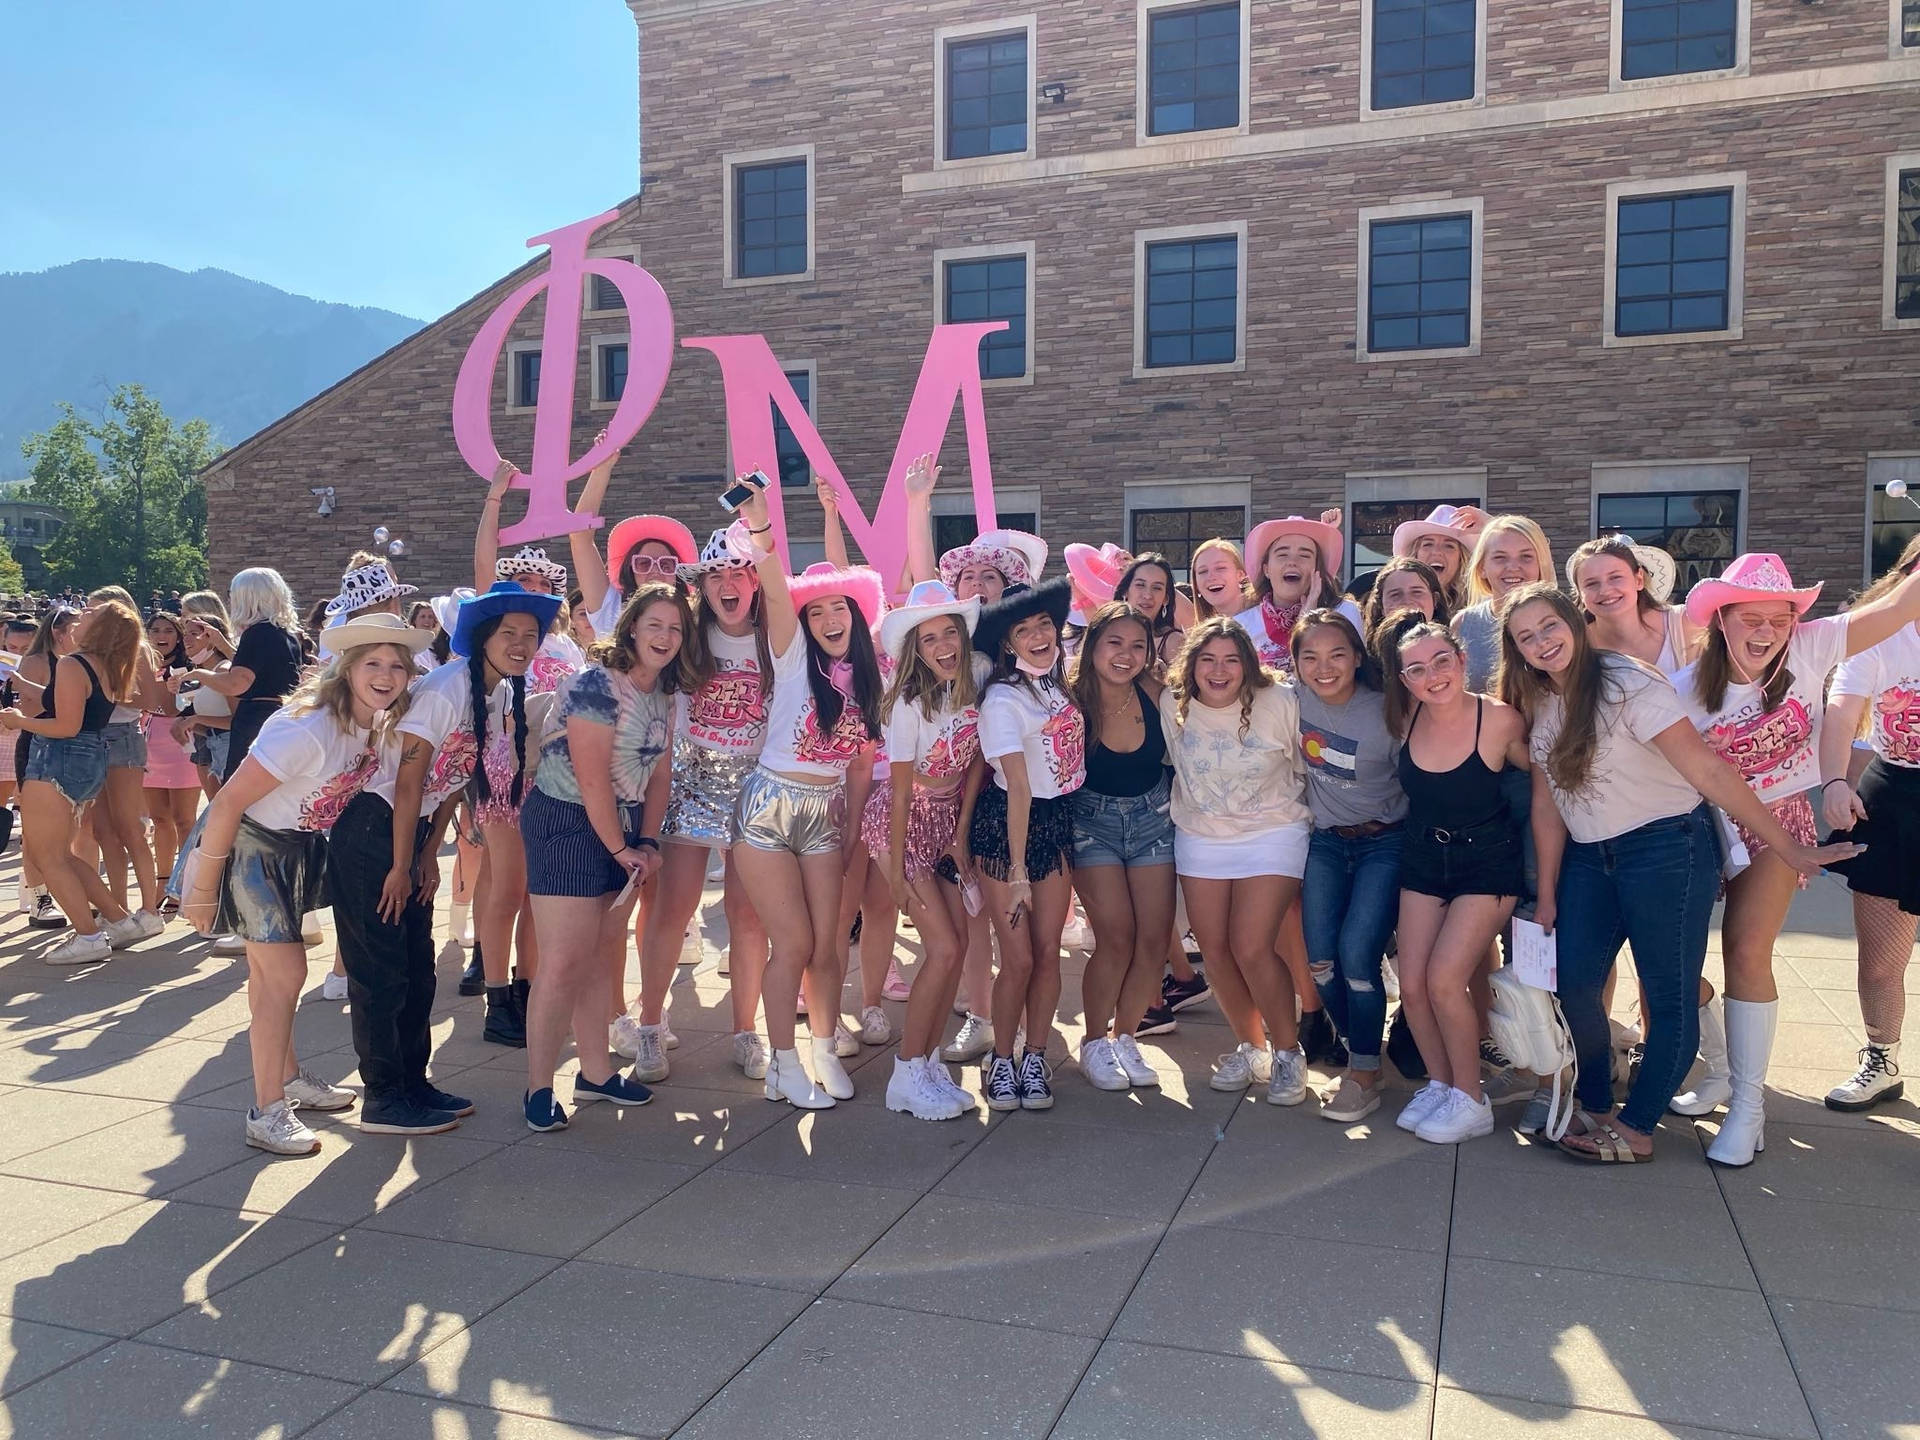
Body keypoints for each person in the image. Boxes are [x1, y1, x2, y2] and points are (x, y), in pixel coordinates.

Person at [1499, 583, 1855, 1164]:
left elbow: (1706, 770)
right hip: (1590, 857)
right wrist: (1545, 893)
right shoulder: (1540, 701)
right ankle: (1596, 1102)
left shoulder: (1627, 682)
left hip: (1666, 849)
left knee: (1667, 996)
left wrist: (1788, 847)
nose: (1542, 642)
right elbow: (1547, 806)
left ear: (1574, 622)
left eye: (1550, 627)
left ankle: (1638, 1128)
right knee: (1576, 987)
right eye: (1526, 637)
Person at [1670, 552, 1920, 1161]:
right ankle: (1723, 1068)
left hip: (1780, 820)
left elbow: (1896, 606)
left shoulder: (1811, 648)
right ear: (1721, 619)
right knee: (1675, 959)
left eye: (1778, 619)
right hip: (1703, 827)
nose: (1765, 632)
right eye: (1749, 618)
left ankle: (1749, 1108)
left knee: (1747, 949)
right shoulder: (1681, 690)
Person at [176, 617, 437, 1155]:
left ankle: (287, 1078)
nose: (386, 675)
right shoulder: (308, 728)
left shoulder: (373, 723)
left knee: (269, 978)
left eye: (396, 665)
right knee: (286, 974)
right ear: (347, 668)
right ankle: (266, 1111)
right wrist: (201, 887)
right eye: (373, 663)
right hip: (251, 848)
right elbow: (227, 801)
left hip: (297, 848)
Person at [729, 482, 886, 1110]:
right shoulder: (791, 658)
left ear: (855, 613)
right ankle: (783, 1064)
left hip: (825, 814)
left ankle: (825, 1046)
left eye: (838, 609)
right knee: (791, 942)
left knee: (828, 942)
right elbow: (772, 581)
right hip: (768, 807)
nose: (828, 620)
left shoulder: (868, 681)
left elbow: (859, 765)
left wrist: (848, 837)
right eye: (815, 611)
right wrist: (763, 523)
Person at [519, 584, 691, 1131]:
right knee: (564, 960)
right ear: (632, 628)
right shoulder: (596, 685)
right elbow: (591, 781)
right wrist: (623, 848)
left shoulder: (662, 693)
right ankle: (538, 1087)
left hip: (622, 828)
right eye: (655, 625)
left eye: (675, 629)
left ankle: (595, 1073)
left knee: (601, 953)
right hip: (567, 821)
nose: (665, 637)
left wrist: (648, 842)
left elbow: (659, 774)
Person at [1378, 612, 1531, 1144]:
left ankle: (1472, 1097)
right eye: (1417, 669)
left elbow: (1550, 785)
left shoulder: (1502, 720)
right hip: (1424, 858)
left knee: (1446, 979)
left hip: (1488, 863)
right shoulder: (1406, 721)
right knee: (1414, 987)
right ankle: (1443, 1085)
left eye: (1442, 660)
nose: (1432, 674)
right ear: (1405, 680)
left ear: (1463, 660)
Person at [631, 524, 776, 1083]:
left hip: (755, 790)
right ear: (702, 585)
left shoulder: (774, 637)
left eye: (739, 570)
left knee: (746, 916)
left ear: (756, 581)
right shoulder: (686, 635)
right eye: (715, 573)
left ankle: (745, 1031)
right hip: (690, 785)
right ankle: (648, 1027)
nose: (727, 583)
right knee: (672, 911)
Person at [1161, 616, 1312, 1104]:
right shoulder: (1173, 703)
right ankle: (1252, 1047)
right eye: (1208, 659)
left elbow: (1307, 764)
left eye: (1231, 659)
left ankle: (1289, 1052)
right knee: (1217, 949)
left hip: (1273, 830)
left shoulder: (1281, 701)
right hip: (1201, 835)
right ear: (1192, 664)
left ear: (1248, 664)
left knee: (1251, 946)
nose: (1219, 670)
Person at [868, 581, 987, 1120]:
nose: (942, 645)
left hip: (945, 823)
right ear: (915, 649)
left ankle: (929, 1062)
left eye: (948, 633)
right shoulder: (907, 706)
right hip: (903, 823)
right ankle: (906, 1072)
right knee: (940, 948)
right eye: (928, 637)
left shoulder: (977, 682)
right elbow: (895, 792)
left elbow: (977, 764)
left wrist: (961, 835)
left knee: (958, 947)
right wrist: (893, 873)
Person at [970, 577, 1085, 1111]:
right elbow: (1017, 785)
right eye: (1024, 629)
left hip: (1055, 825)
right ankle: (1002, 1059)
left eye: (1044, 624)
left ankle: (1036, 1057)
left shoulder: (1055, 685)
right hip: (1007, 833)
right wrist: (1017, 871)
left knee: (1046, 953)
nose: (1039, 635)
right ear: (1007, 642)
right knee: (1015, 958)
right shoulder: (1001, 700)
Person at [1819, 535, 1920, 1115]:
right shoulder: (1877, 635)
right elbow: (1840, 709)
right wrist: (1834, 781)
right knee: (1881, 958)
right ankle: (1882, 1058)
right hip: (1894, 795)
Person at [1293, 610, 1407, 1122]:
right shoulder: (1288, 702)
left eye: (1337, 654)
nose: (1324, 667)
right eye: (1310, 656)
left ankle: (1362, 1072)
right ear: (1294, 663)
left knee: (1357, 959)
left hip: (1385, 843)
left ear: (1357, 658)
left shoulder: (1389, 712)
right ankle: (1363, 1048)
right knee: (1320, 964)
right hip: (1325, 843)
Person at [0, 599, 153, 965]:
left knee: (47, 856)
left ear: (100, 629)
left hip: (59, 756)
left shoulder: (73, 664)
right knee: (61, 854)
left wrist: (19, 721)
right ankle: (116, 920)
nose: (81, 616)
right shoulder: (107, 665)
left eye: (89, 615)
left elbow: (65, 726)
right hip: (87, 758)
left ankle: (89, 935)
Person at [1066, 602, 1174, 1094]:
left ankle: (1126, 1035)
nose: (1126, 654)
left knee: (1154, 940)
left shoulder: (1155, 691)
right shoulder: (1070, 701)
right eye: (1115, 642)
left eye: (1137, 645)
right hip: (1093, 825)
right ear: (1092, 648)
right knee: (1116, 936)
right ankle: (1094, 1042)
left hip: (1154, 821)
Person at [85, 586, 169, 932]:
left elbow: (150, 700)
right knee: (102, 829)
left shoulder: (138, 649)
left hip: (121, 738)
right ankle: (116, 909)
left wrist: (107, 691)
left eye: (97, 612)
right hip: (91, 738)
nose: (89, 617)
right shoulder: (89, 650)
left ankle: (150, 910)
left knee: (129, 826)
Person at [181, 569, 304, 783]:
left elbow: (236, 683)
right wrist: (222, 645)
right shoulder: (285, 634)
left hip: (254, 721)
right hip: (280, 718)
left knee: (240, 799)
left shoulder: (255, 633)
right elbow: (256, 668)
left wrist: (200, 674)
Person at [1232, 514, 1360, 676]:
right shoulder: (1241, 626)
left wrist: (1309, 622)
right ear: (1266, 570)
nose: (1292, 561)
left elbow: (1356, 679)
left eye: (1304, 555)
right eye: (1282, 554)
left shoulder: (1345, 613)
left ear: (1317, 569)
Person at [1566, 535, 1698, 677]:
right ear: (1580, 593)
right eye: (1591, 583)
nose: (1605, 591)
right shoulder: (1574, 647)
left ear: (1639, 579)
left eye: (1615, 577)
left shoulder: (1684, 624)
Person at [1454, 515, 1554, 691]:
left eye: (1526, 557)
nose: (1513, 567)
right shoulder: (1463, 624)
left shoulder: (1563, 622)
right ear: (1482, 568)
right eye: (1500, 558)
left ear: (1541, 564)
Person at [142, 612, 200, 909]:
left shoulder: (187, 669)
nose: (161, 636)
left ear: (178, 636)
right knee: (159, 819)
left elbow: (175, 708)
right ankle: (162, 882)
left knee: (184, 820)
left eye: (168, 630)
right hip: (148, 745)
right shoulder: (140, 665)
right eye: (155, 630)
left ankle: (184, 884)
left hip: (181, 745)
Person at [1390, 504, 1485, 612]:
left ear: (1462, 560)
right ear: (1415, 555)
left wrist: (1490, 523)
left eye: (1449, 546)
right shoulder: (1396, 603)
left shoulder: (1480, 611)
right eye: (1428, 544)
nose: (1436, 552)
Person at [1360, 556, 1451, 641]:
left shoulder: (1453, 652)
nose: (1407, 601)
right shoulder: (1361, 656)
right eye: (1395, 595)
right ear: (1381, 606)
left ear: (1435, 600)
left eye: (1417, 592)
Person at [1189, 538, 1248, 623]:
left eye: (1220, 568)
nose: (1211, 577)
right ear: (1196, 585)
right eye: (1203, 571)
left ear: (1240, 575)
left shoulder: (1265, 619)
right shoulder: (1203, 634)